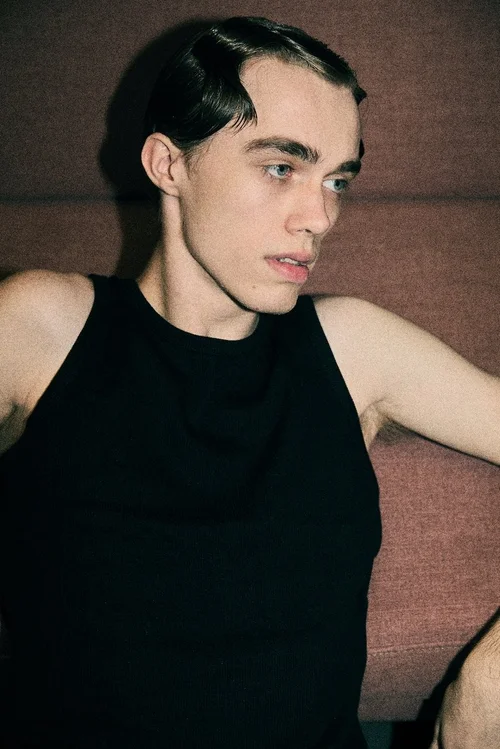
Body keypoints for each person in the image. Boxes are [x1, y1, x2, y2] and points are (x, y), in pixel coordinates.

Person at [0, 15, 498, 749]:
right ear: (169, 164)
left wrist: (487, 685)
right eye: (281, 167)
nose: (320, 216)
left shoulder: (353, 346)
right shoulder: (41, 325)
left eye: (337, 180)